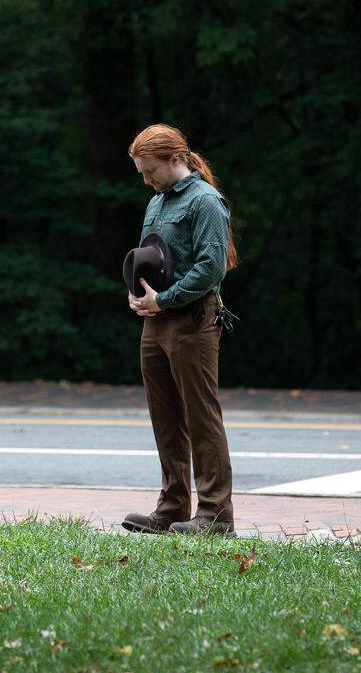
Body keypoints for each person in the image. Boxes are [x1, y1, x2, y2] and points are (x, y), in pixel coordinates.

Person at [121, 124, 240, 536]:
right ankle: (172, 507)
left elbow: (210, 268)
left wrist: (164, 299)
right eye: (141, 172)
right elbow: (150, 257)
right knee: (165, 415)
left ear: (175, 159)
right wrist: (139, 295)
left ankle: (216, 516)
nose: (146, 179)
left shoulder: (206, 202)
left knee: (200, 415)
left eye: (150, 170)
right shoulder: (157, 202)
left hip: (193, 320)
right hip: (156, 320)